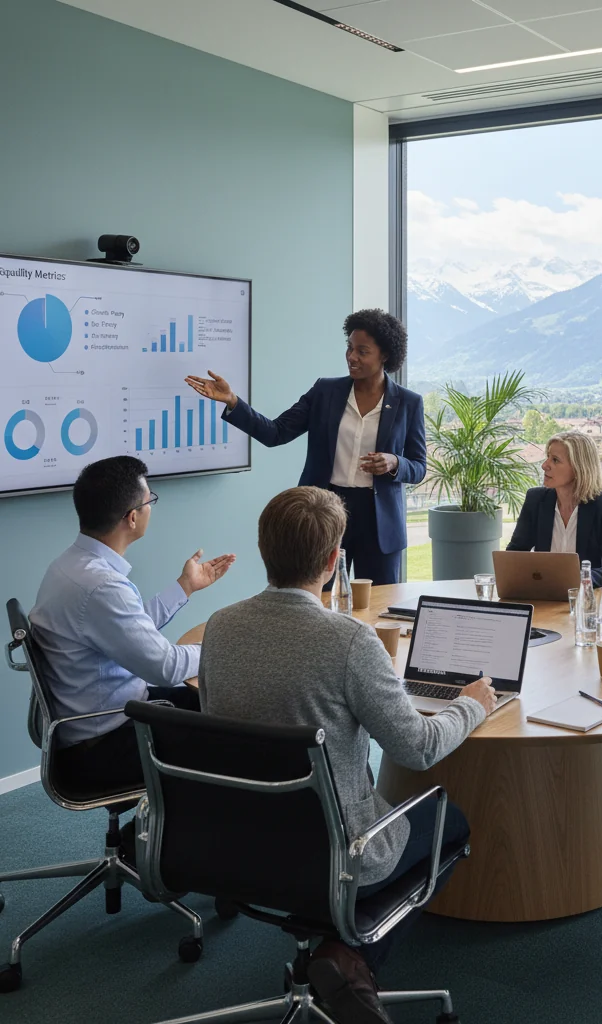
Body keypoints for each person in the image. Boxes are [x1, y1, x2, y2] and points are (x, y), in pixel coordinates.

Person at [198, 486, 495, 1024]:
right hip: (336, 852)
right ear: (334, 561)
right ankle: (350, 957)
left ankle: (335, 952)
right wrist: (471, 706)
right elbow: (419, 747)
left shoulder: (219, 628)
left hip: (235, 840)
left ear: (264, 549)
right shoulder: (350, 641)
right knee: (451, 822)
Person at [29, 456, 235, 791]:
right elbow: (165, 667)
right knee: (232, 735)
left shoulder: (71, 565)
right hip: (104, 743)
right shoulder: (101, 586)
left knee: (218, 703)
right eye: (149, 500)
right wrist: (225, 645)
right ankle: (176, 836)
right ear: (132, 517)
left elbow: (126, 631)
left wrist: (185, 586)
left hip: (102, 717)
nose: (151, 507)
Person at [185, 308, 425, 585]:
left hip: (380, 522)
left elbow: (419, 466)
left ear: (385, 355)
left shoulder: (409, 402)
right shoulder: (326, 392)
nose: (351, 357)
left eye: (362, 351)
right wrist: (233, 402)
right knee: (315, 602)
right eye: (349, 348)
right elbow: (276, 433)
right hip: (326, 512)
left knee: (381, 606)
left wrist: (395, 462)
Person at [506, 430, 602, 587]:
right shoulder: (536, 500)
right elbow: (515, 555)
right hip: (543, 597)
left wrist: (579, 579)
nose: (544, 465)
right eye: (547, 457)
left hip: (584, 600)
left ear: (578, 468)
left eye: (555, 460)